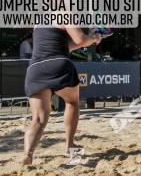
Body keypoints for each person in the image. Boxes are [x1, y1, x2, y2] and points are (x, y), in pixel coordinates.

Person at [22, 25, 107, 166]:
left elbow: (64, 47)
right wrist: (93, 38)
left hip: (35, 69)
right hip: (58, 65)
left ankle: (28, 154)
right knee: (72, 102)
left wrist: (90, 39)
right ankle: (70, 145)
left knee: (38, 119)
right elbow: (80, 40)